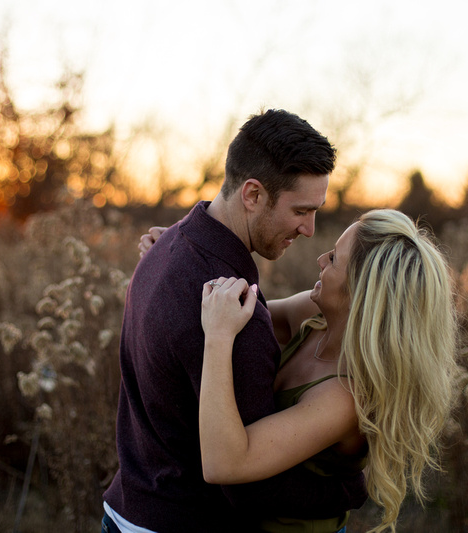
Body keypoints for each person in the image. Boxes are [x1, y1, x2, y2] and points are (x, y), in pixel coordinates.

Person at [102, 109, 368, 533]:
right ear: (252, 195)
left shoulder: (171, 244)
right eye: (301, 210)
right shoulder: (233, 319)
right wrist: (351, 491)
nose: (309, 230)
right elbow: (249, 483)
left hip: (127, 508)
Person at [198, 209, 458, 533]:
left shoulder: (344, 398)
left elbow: (224, 463)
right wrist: (185, 253)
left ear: (360, 292)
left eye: (334, 258)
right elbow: (247, 309)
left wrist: (218, 337)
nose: (321, 259)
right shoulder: (315, 314)